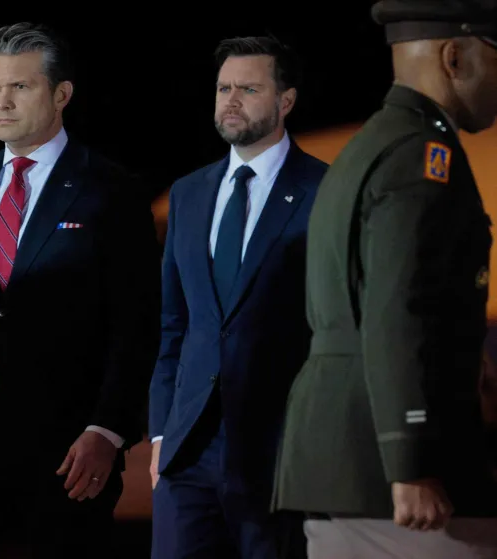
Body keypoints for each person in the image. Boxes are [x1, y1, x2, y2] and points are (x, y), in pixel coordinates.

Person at [0, 21, 160, 559]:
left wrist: (108, 430)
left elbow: (136, 323)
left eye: (20, 87)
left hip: (67, 445)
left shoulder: (110, 189)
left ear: (61, 94)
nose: (2, 101)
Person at [272, 1, 497, 557]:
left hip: (345, 458)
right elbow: (399, 310)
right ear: (454, 57)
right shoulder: (421, 155)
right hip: (392, 474)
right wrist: (410, 460)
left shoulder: (372, 145)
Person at [148, 36, 328, 559]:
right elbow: (173, 323)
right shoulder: (187, 192)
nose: (231, 100)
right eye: (224, 88)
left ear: (285, 101)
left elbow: (334, 326)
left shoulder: (326, 191)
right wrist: (161, 434)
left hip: (278, 456)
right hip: (186, 457)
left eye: (248, 88)